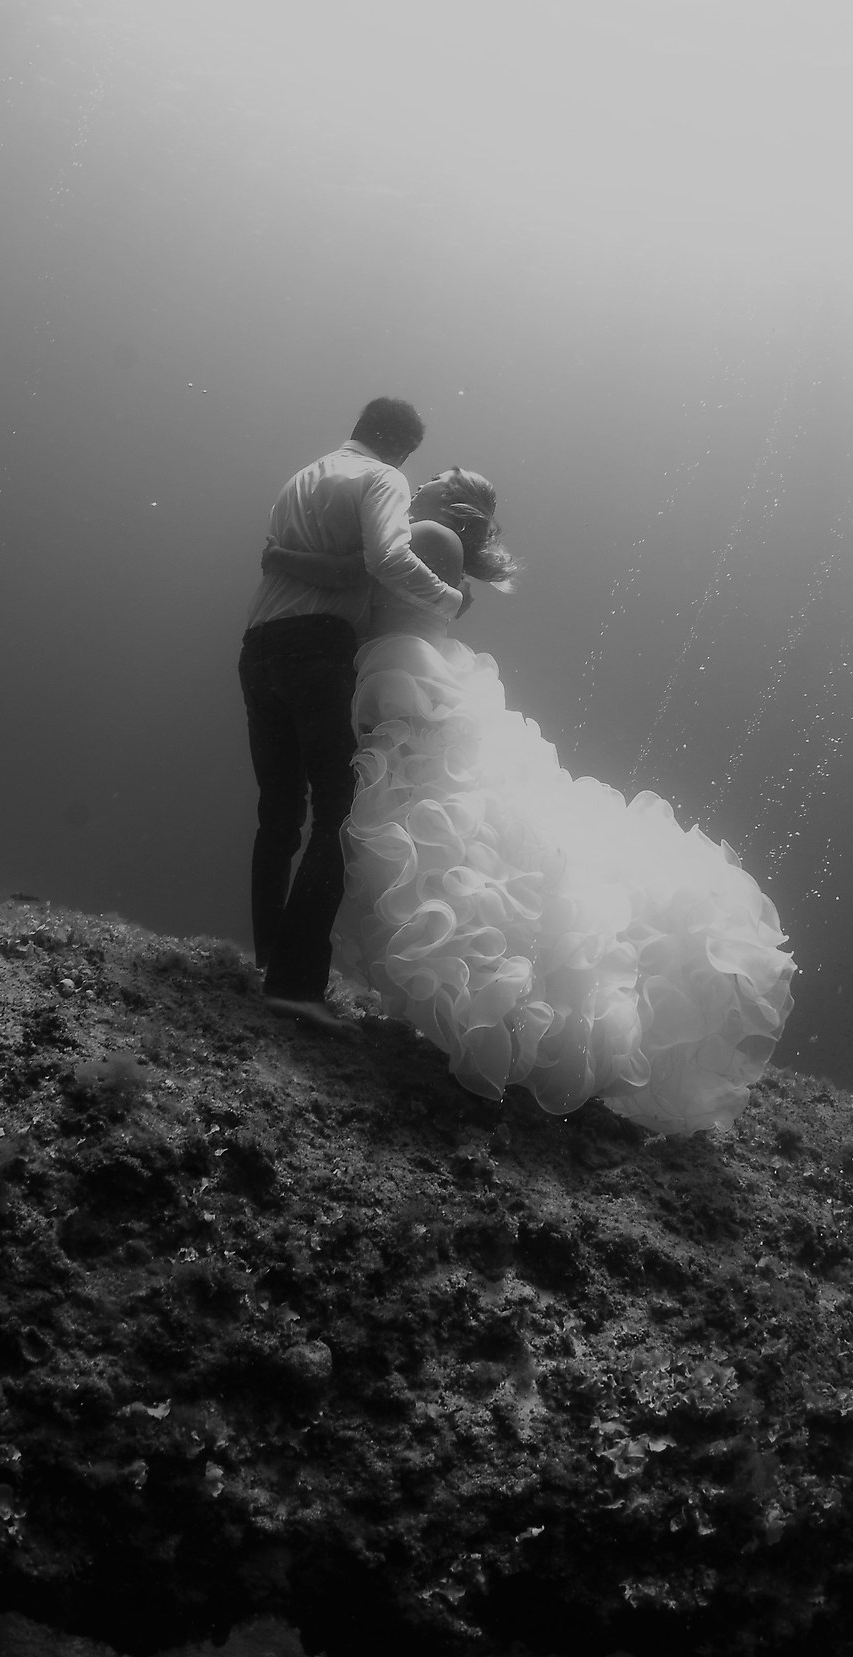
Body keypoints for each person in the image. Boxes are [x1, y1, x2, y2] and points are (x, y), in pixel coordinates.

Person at [263, 471, 795, 1132]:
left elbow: (365, 578)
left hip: (406, 673)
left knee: (429, 832)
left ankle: (495, 1011)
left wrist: (284, 559)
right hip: (416, 667)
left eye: (433, 480)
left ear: (448, 504)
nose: (418, 483)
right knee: (439, 836)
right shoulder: (439, 544)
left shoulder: (425, 534)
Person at [240, 399, 463, 1028]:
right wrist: (449, 600)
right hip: (315, 647)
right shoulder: (382, 478)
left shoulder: (303, 478)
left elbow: (300, 559)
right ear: (401, 448)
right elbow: (385, 560)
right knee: (341, 813)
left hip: (258, 644)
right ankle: (294, 984)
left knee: (279, 811)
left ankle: (264, 958)